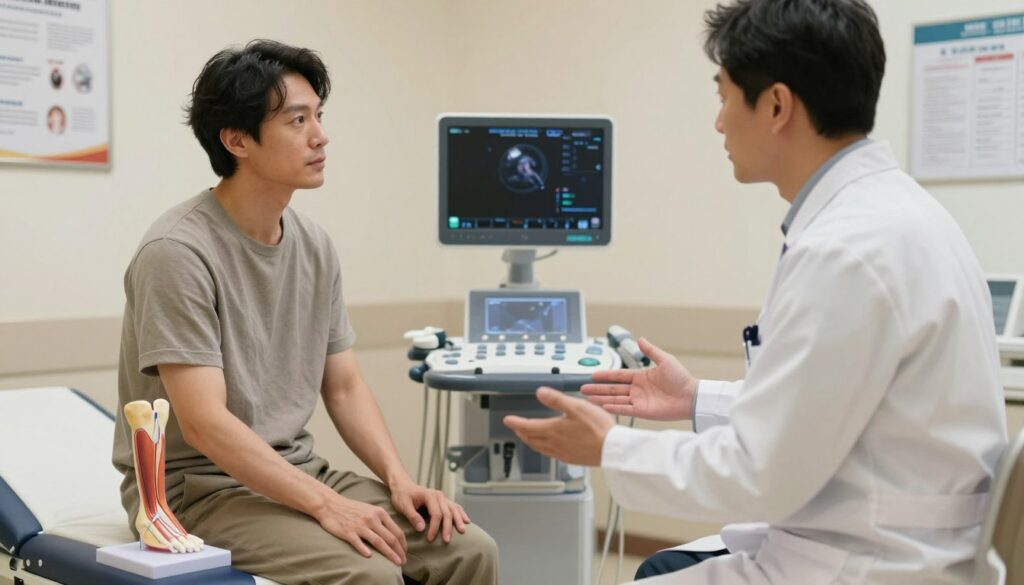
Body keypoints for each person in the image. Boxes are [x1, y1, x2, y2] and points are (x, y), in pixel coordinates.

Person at [504, 1, 1008, 584]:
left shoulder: (846, 250)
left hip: (870, 564)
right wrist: (696, 398)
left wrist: (609, 448)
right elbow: (823, 406)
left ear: (775, 105)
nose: (719, 123)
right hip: (892, 539)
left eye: (724, 97)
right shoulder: (895, 215)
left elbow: (761, 472)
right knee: (664, 566)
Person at [112, 40, 497, 585]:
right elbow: (203, 424)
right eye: (298, 120)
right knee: (371, 573)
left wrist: (399, 480)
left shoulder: (313, 245)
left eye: (318, 115)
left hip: (296, 470)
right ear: (237, 140)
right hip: (196, 493)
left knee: (469, 549)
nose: (320, 135)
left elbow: (344, 388)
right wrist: (327, 506)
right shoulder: (176, 252)